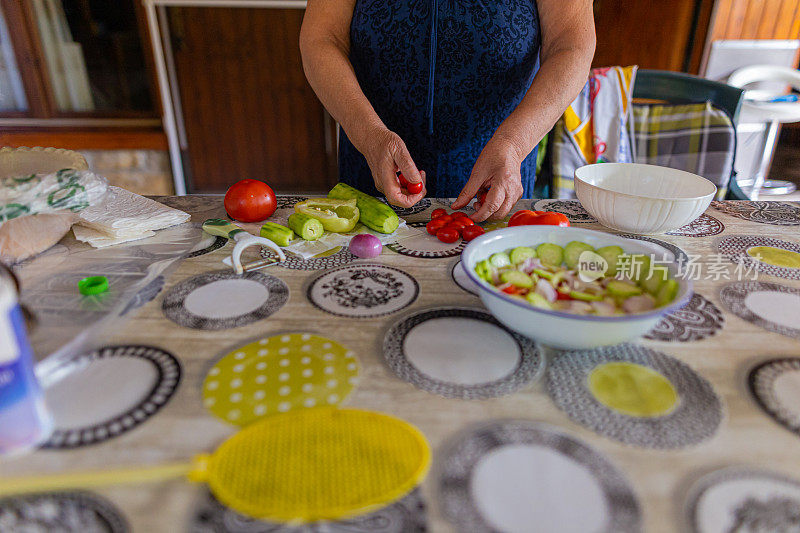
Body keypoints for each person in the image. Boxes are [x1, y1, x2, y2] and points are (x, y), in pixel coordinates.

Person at [300, 1, 595, 221]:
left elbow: (571, 45)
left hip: (499, 170)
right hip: (370, 157)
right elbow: (322, 39)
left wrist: (514, 145)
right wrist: (369, 135)